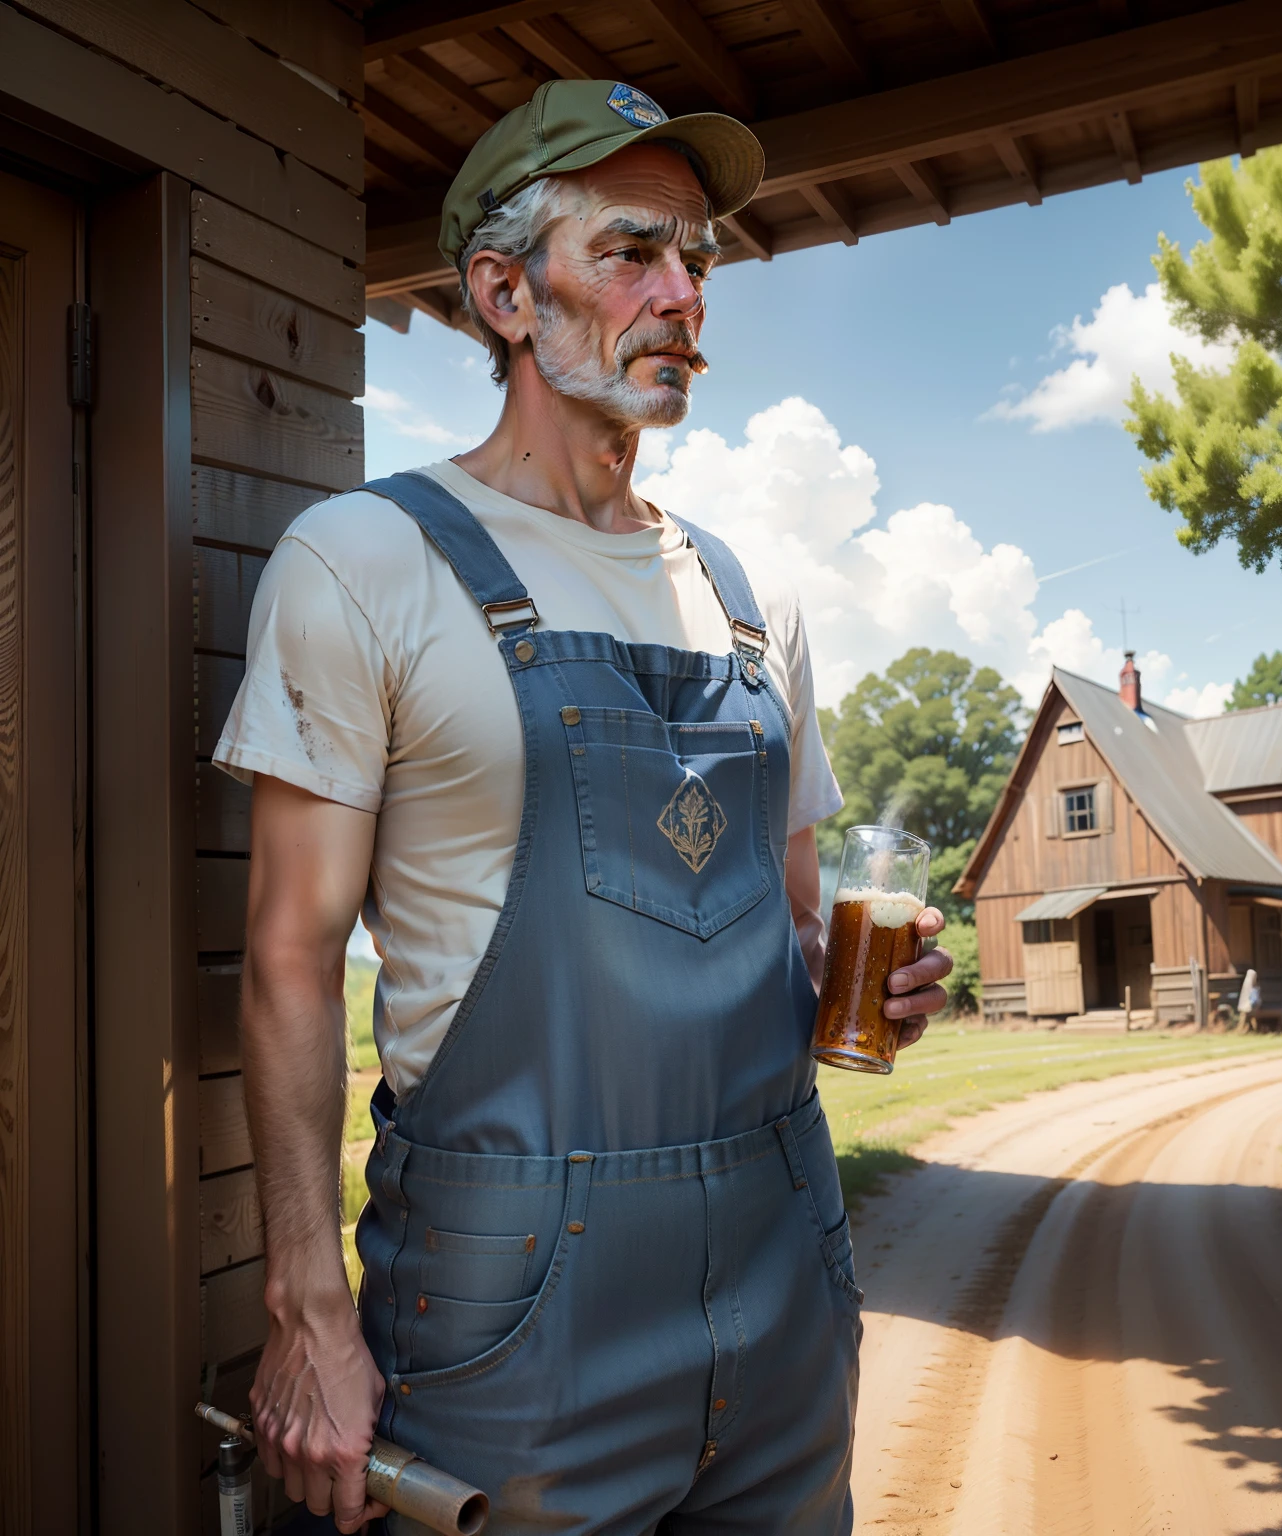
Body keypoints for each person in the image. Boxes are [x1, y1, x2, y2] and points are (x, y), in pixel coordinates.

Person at [218, 79, 953, 1534]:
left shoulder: (757, 602)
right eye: (631, 252)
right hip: (509, 1301)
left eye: (699, 258)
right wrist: (308, 1309)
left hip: (780, 1266)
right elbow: (288, 964)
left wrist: (877, 987)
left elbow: (795, 944)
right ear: (503, 291)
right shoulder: (364, 561)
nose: (682, 293)